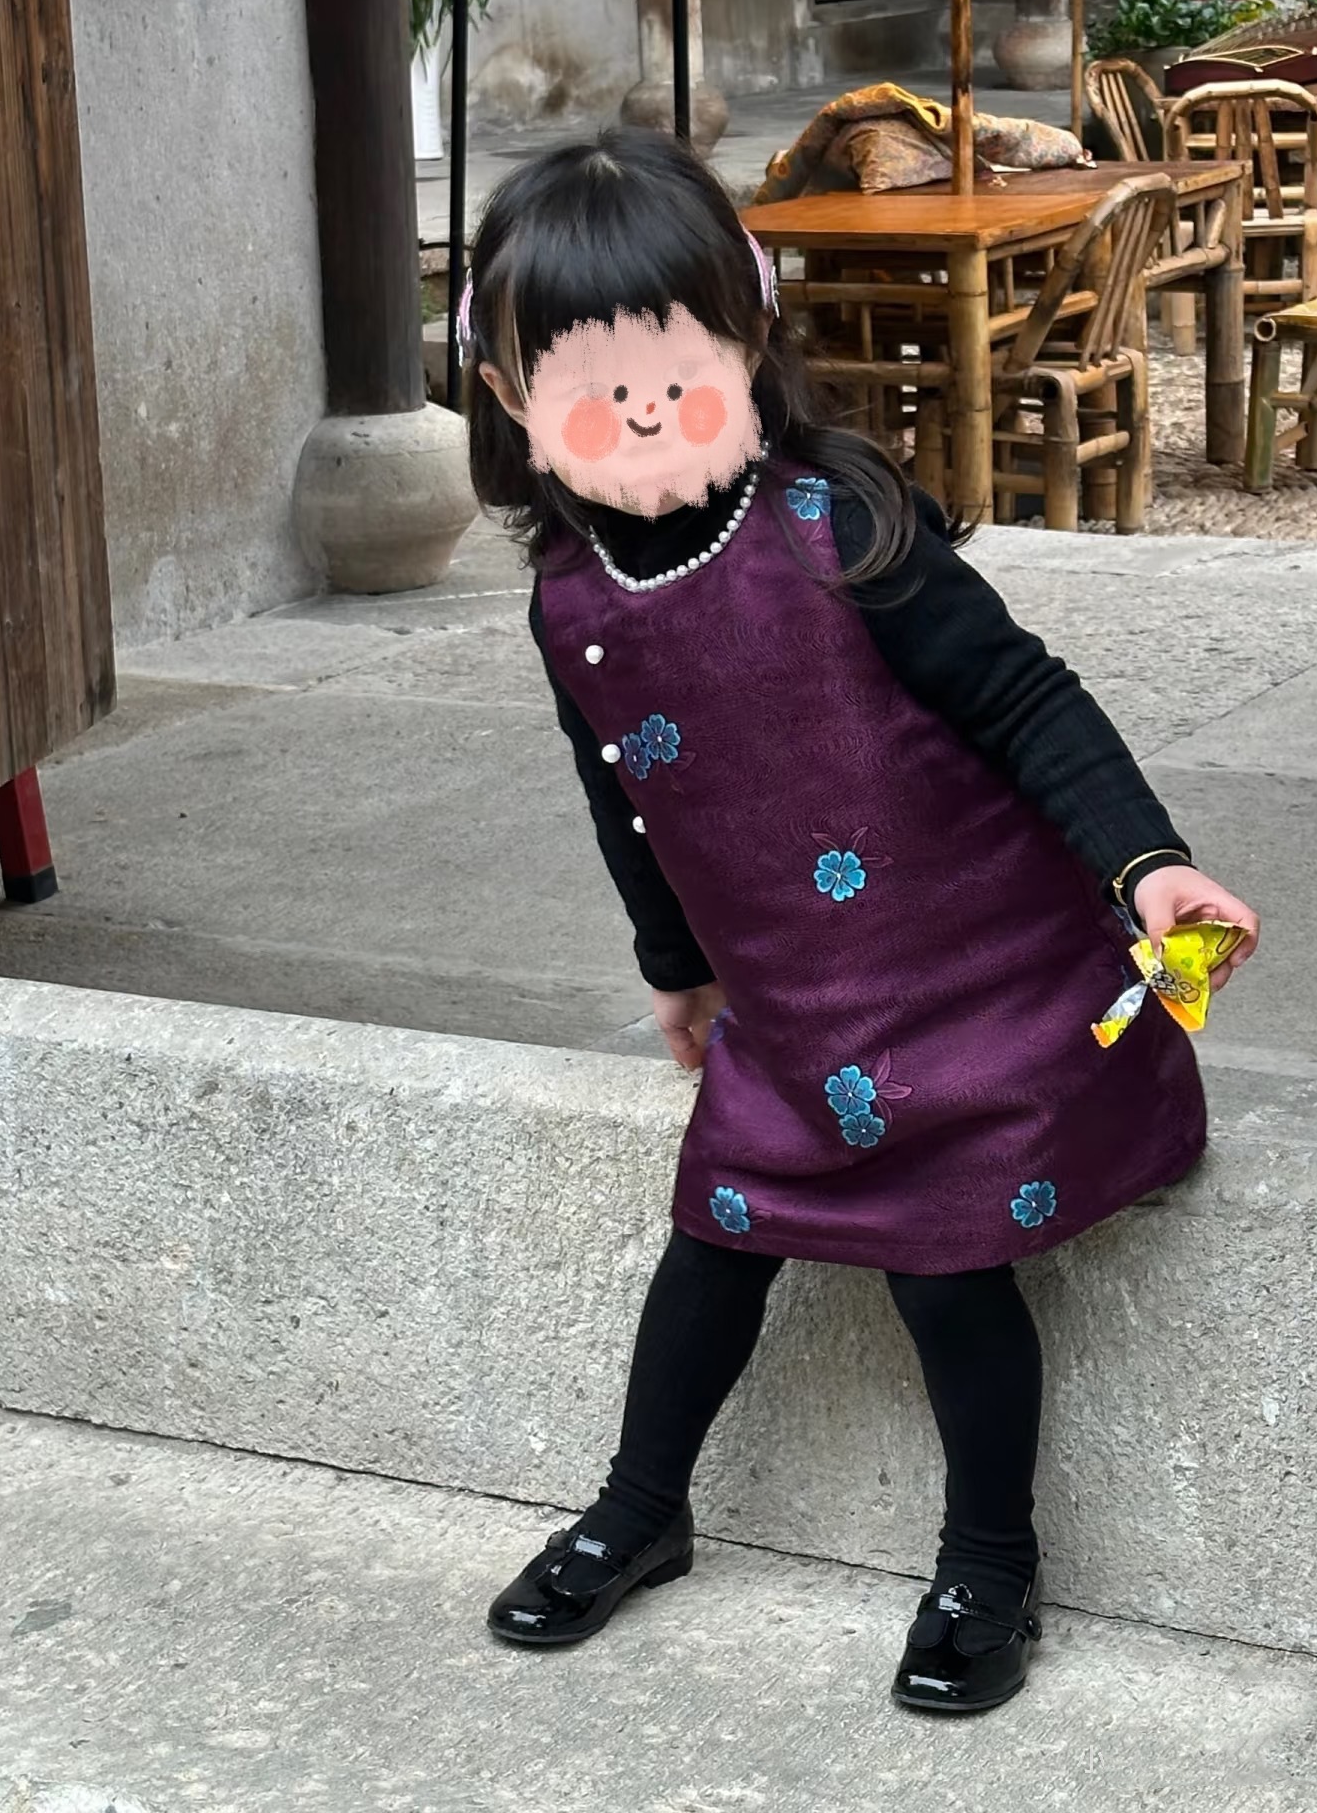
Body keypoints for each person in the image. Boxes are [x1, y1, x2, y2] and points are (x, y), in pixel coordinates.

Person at [461, 125, 1259, 1715]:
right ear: (505, 396)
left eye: (675, 371)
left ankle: (990, 1563)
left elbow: (1027, 700)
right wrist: (676, 968)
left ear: (751, 341)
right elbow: (627, 796)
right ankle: (641, 1508)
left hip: (967, 984)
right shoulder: (571, 597)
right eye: (591, 387)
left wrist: (1145, 865)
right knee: (711, 1242)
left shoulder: (839, 525)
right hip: (792, 1007)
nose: (639, 412)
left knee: (948, 1272)